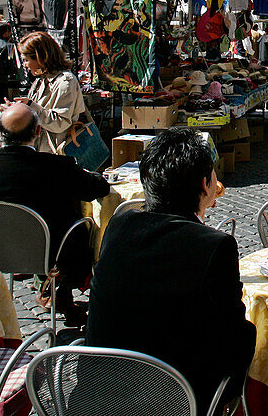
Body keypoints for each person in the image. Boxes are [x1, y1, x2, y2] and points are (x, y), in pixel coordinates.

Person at [87, 127, 255, 413]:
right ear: (205, 185)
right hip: (174, 399)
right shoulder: (216, 245)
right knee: (248, 335)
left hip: (98, 394)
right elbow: (232, 332)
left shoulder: (117, 227)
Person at [0, 103, 109, 326]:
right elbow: (98, 189)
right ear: (38, 132)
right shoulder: (58, 166)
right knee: (80, 221)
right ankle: (61, 289)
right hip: (54, 254)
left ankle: (52, 291)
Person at [12, 31, 86, 155]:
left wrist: (31, 105)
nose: (25, 65)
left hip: (56, 153)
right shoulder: (41, 80)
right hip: (42, 150)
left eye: (26, 60)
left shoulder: (65, 82)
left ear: (40, 58)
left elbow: (59, 124)